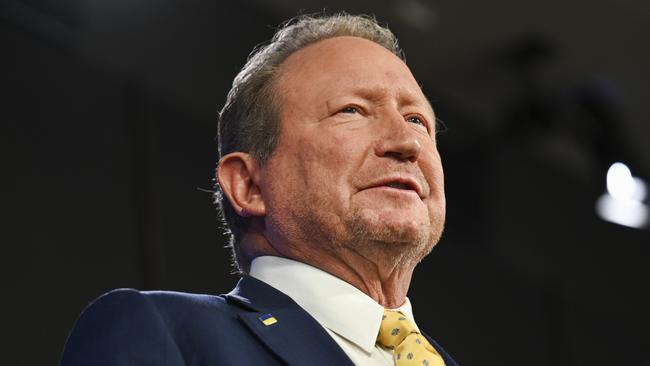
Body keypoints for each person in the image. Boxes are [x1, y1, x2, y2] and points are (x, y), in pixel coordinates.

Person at [61, 13, 458, 366]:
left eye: (416, 119)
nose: (407, 142)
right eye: (351, 110)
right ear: (248, 185)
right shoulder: (163, 335)